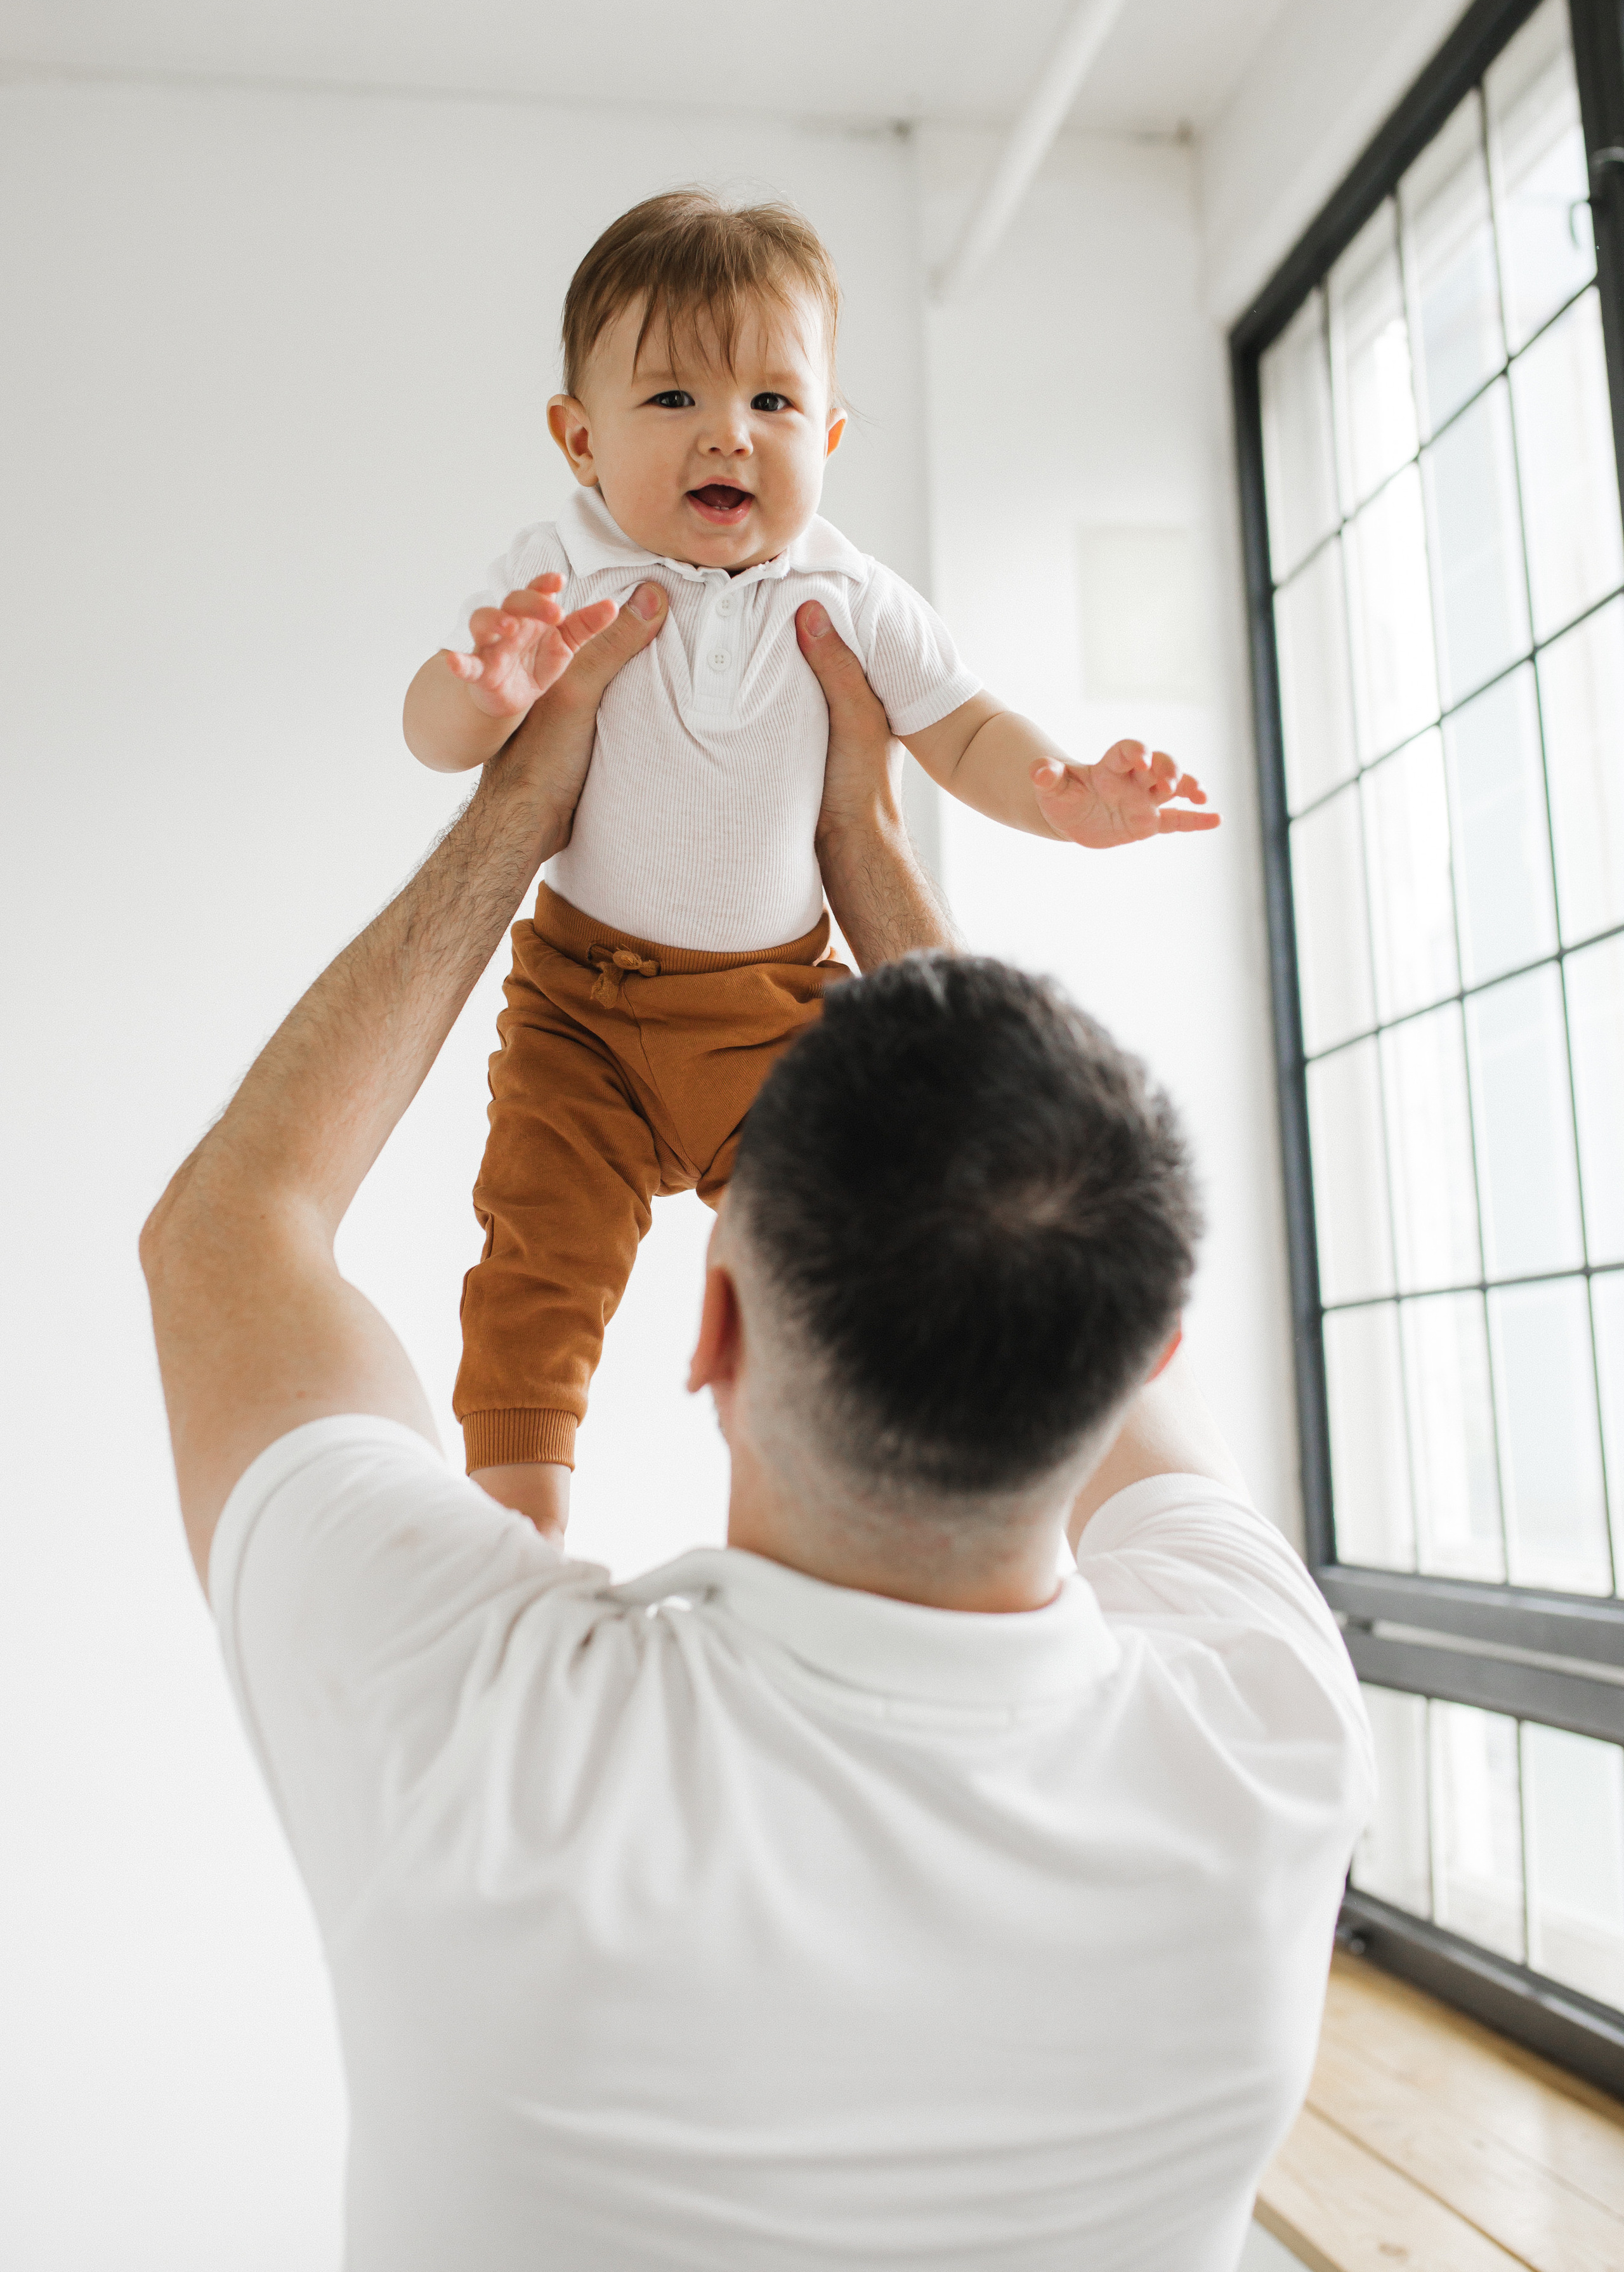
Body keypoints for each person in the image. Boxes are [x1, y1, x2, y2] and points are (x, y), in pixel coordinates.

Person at [141, 610, 1372, 2272]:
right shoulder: (1275, 1738)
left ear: (706, 1330)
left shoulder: (473, 1736)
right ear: (1144, 1352)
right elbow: (1052, 1207)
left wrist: (520, 812)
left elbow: (235, 1226)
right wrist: (859, 839)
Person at [400, 189, 1222, 1540]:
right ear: (578, 438)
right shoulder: (561, 567)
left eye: (774, 403)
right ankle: (520, 1536)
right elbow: (432, 736)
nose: (728, 431)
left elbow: (958, 728)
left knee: (827, 1273)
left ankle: (797, 1533)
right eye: (670, 398)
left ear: (829, 435)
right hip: (580, 1015)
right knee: (529, 1278)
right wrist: (481, 688)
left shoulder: (844, 591)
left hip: (774, 1019)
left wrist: (1065, 795)